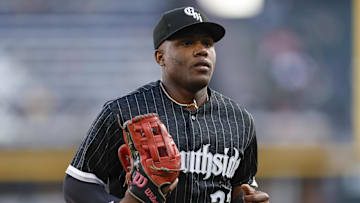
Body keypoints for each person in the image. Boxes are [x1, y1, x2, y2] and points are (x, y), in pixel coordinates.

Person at [63, 6, 270, 203]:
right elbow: (78, 184)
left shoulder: (239, 120)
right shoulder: (123, 112)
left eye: (207, 43)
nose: (201, 51)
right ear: (160, 57)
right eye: (187, 43)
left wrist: (246, 198)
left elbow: (240, 189)